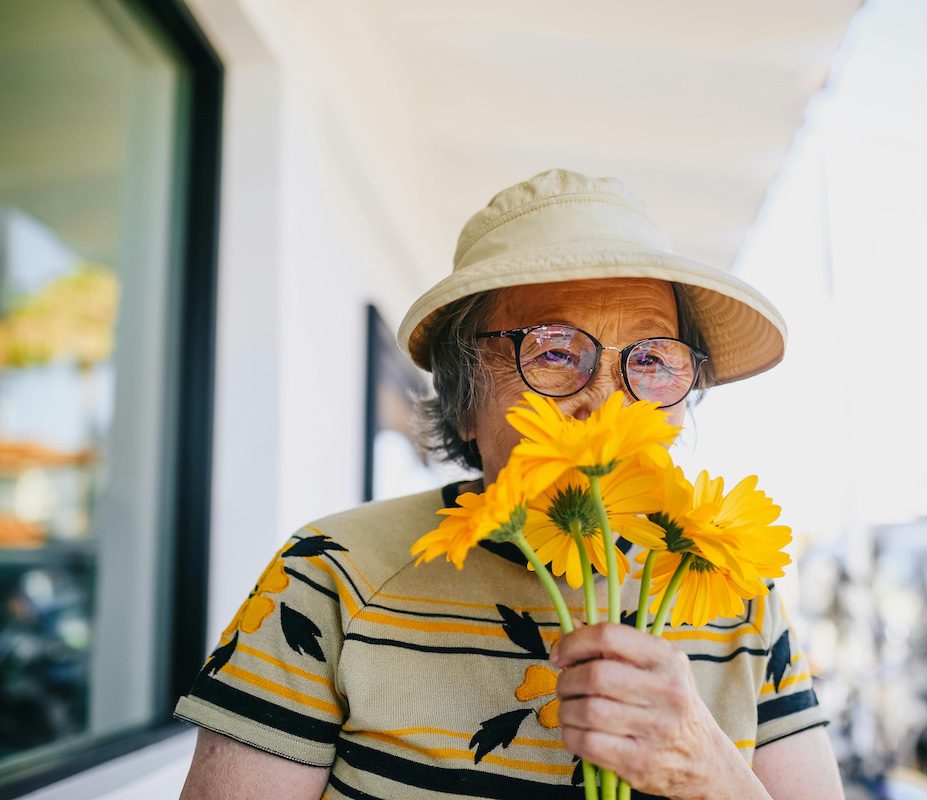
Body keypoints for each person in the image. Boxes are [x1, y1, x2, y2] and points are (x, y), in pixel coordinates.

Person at [177, 169, 844, 799]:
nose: (606, 405)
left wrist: (711, 774)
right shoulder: (333, 573)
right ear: (465, 400)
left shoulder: (740, 592)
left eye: (651, 359)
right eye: (554, 352)